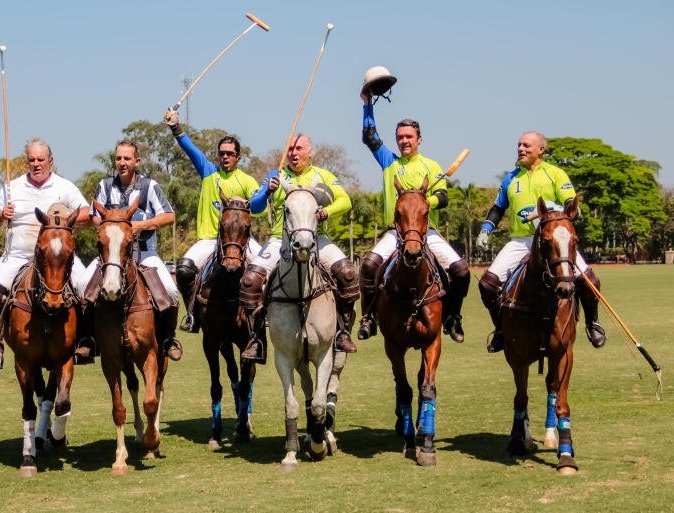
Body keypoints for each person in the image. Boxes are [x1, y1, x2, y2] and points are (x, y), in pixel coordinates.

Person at [476, 132, 607, 352]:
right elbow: (499, 207)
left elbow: (572, 207)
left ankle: (592, 323)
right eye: (519, 145)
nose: (521, 149)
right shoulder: (511, 178)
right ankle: (500, 330)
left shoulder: (556, 174)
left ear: (541, 149)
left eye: (526, 145)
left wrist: (550, 206)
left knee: (589, 280)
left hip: (554, 240)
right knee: (487, 285)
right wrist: (486, 229)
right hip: (522, 240)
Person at [357, 90, 470, 342]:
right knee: (368, 266)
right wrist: (367, 104)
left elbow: (444, 197)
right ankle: (368, 317)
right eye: (400, 137)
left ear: (419, 139)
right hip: (395, 233)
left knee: (462, 271)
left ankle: (453, 317)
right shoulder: (389, 162)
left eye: (409, 136)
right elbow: (369, 137)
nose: (404, 141)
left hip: (426, 234)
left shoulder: (432, 167)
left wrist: (422, 202)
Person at [241, 134, 360, 360]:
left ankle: (342, 332)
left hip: (317, 238)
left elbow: (345, 201)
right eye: (290, 149)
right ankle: (257, 340)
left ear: (310, 152)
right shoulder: (275, 176)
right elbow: (254, 209)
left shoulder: (323, 176)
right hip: (280, 240)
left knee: (348, 274)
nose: (294, 153)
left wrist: (325, 212)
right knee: (250, 282)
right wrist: (267, 191)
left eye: (299, 148)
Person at [0, 140, 91, 369]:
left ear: (50, 161)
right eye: (32, 160)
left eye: (41, 160)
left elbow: (87, 215)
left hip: (57, 257)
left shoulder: (64, 186)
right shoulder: (13, 187)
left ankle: (85, 340)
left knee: (87, 287)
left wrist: (63, 217)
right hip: (19, 255)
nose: (36, 164)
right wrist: (2, 214)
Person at [76, 139, 183, 361]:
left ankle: (168, 338)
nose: (122, 162)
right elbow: (95, 216)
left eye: (126, 158)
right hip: (110, 255)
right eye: (118, 158)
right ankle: (87, 339)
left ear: (137, 160)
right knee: (82, 286)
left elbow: (169, 216)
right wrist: (113, 229)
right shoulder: (105, 186)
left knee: (171, 291)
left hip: (145, 252)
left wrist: (140, 226)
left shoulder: (149, 187)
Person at [164, 108, 263, 333]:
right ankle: (193, 315)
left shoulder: (247, 181)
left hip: (240, 244)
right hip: (209, 240)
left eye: (229, 153)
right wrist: (175, 127)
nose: (224, 157)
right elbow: (191, 150)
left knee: (265, 269)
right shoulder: (208, 172)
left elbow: (257, 208)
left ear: (238, 156)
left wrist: (264, 194)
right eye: (221, 153)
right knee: (183, 269)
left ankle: (262, 316)